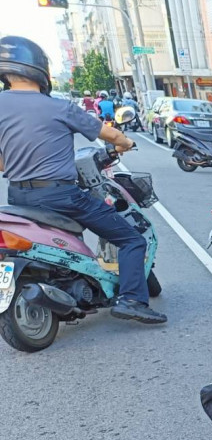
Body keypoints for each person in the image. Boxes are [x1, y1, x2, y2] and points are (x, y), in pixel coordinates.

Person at [0, 36, 167, 324]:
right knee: (131, 239)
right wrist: (125, 143)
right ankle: (131, 300)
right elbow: (112, 135)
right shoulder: (58, 107)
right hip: (61, 196)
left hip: (17, 197)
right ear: (40, 70)